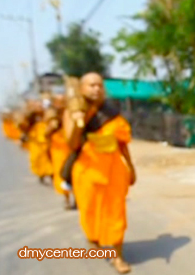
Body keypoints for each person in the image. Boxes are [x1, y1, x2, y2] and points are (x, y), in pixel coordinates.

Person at [63, 72, 136, 274]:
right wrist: (79, 120)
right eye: (91, 85)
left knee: (116, 213)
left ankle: (118, 256)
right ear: (81, 89)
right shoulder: (73, 111)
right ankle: (94, 240)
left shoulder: (111, 111)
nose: (96, 89)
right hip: (87, 171)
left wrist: (131, 168)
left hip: (113, 170)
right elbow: (71, 144)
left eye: (99, 85)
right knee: (90, 211)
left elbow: (122, 144)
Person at [45, 94, 75, 209]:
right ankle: (66, 198)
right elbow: (45, 134)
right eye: (58, 101)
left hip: (70, 147)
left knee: (74, 172)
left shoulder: (71, 113)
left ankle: (77, 197)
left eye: (63, 101)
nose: (60, 104)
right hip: (57, 149)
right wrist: (51, 128)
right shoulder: (50, 116)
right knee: (62, 173)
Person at [26, 99, 53, 183]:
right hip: (35, 141)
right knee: (36, 158)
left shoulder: (47, 114)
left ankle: (51, 173)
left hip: (45, 139)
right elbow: (25, 127)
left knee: (47, 158)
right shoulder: (31, 116)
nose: (39, 108)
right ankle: (41, 174)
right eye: (37, 106)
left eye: (40, 106)